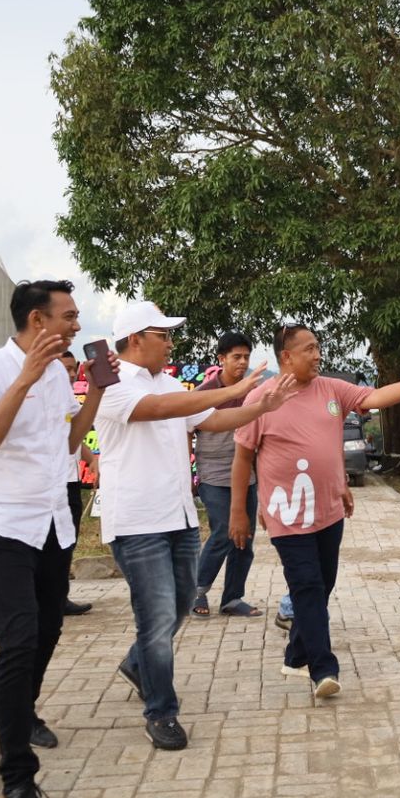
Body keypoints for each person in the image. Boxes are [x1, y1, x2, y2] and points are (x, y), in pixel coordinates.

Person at [97, 301, 298, 751]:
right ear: (135, 339)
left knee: (182, 603)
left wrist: (260, 403)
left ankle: (137, 663)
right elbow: (165, 408)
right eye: (162, 334)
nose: (170, 342)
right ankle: (161, 711)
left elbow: (212, 419)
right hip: (136, 521)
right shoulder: (111, 385)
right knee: (156, 618)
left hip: (178, 516)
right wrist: (236, 388)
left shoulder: (168, 382)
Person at [0, 280, 110, 798]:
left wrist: (94, 390)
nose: (75, 325)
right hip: (2, 523)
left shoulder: (55, 374)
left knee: (47, 632)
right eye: (67, 316)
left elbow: (71, 443)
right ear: (36, 320)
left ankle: (22, 714)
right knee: (18, 639)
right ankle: (16, 780)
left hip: (52, 521)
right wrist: (22, 380)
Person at [230, 324, 400, 699]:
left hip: (329, 510)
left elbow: (378, 397)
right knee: (308, 586)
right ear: (287, 357)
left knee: (322, 585)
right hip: (287, 514)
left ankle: (296, 653)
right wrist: (240, 511)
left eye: (318, 348)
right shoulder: (262, 399)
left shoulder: (331, 389)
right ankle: (323, 670)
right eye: (309, 349)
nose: (318, 355)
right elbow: (243, 457)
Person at [191, 332, 265, 618]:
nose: (242, 362)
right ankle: (196, 591)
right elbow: (187, 431)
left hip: (247, 474)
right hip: (213, 474)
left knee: (244, 535)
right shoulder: (205, 393)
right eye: (236, 357)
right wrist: (188, 474)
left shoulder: (253, 393)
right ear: (221, 359)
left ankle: (232, 598)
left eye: (246, 357)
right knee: (224, 530)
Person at [57, 351, 97, 617]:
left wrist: (92, 459)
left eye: (74, 370)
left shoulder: (68, 398)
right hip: (49, 483)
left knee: (68, 540)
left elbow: (76, 435)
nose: (72, 375)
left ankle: (60, 596)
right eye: (66, 369)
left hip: (71, 481)